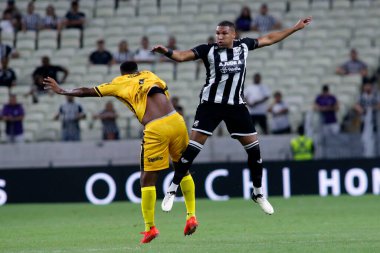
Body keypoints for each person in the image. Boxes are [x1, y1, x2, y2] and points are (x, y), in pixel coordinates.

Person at [152, 17, 312, 215]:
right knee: (192, 150)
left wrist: (295, 28)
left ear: (233, 35)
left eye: (224, 33)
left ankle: (258, 193)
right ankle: (172, 189)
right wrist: (166, 51)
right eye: (218, 33)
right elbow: (182, 56)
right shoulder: (207, 50)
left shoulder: (244, 46)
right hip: (210, 105)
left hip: (236, 106)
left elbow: (270, 38)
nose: (219, 37)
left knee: (254, 151)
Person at [43, 61, 198, 243]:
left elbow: (87, 91)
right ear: (136, 70)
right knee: (182, 169)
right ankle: (191, 216)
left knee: (147, 179)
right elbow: (163, 92)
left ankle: (150, 228)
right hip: (176, 120)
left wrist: (62, 91)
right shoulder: (149, 74)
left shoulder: (119, 82)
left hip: (156, 127)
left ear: (122, 73)